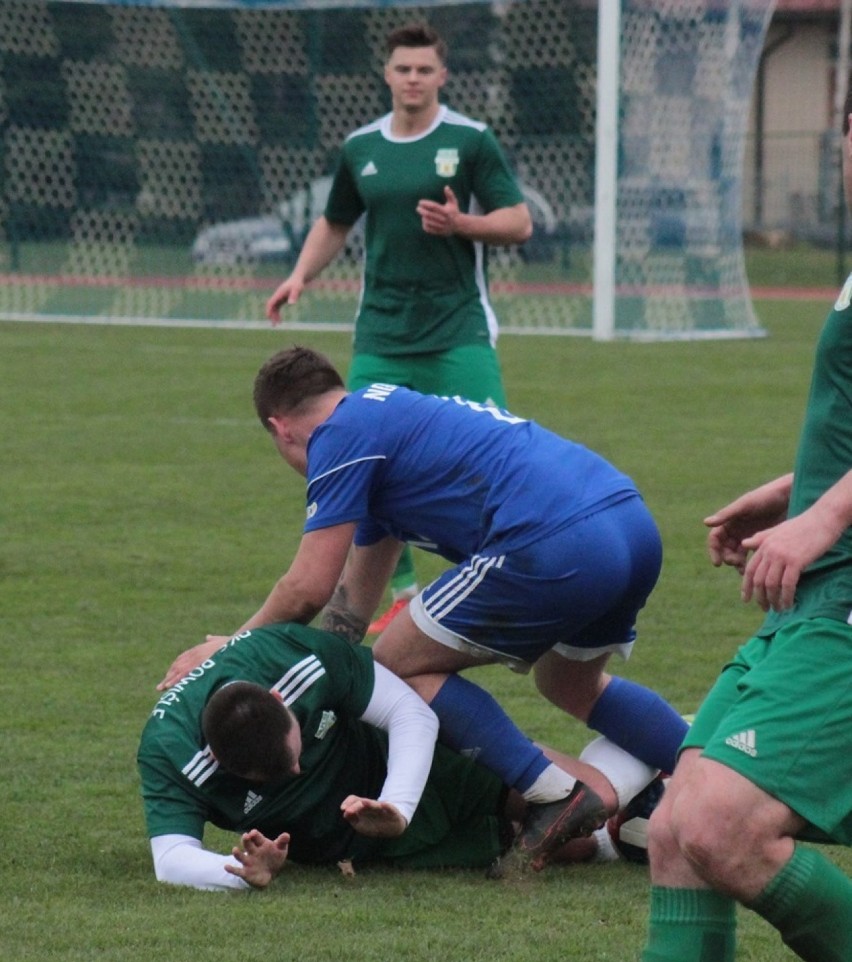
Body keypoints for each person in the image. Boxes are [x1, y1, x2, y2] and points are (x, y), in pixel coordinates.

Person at [159, 346, 688, 865]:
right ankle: (718, 771)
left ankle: (554, 793)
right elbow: (346, 614)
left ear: (280, 429)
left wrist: (232, 648)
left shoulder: (338, 436)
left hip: (553, 539)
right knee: (569, 684)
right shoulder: (385, 416)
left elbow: (306, 588)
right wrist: (314, 678)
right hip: (628, 521)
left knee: (395, 664)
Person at [638, 101, 852, 962]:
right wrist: (793, 496)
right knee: (675, 832)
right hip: (816, 590)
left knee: (724, 826)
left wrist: (826, 516)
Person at [264, 22, 533, 634]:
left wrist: (462, 225)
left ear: (442, 75)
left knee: (497, 458)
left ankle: (505, 575)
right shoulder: (361, 147)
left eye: (424, 69)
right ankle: (402, 593)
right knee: (359, 462)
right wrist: (300, 275)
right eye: (403, 69)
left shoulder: (470, 141)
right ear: (387, 75)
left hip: (457, 330)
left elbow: (518, 223)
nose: (413, 79)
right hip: (382, 337)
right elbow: (335, 221)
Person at [140, 620, 654, 891]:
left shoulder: (293, 657)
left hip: (413, 766)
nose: (298, 771)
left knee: (599, 801)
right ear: (218, 762)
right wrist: (242, 875)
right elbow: (172, 859)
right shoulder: (168, 753)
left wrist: (397, 807)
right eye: (278, 777)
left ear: (281, 700)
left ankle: (675, 743)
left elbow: (411, 715)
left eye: (296, 754)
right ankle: (642, 812)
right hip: (365, 848)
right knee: (580, 850)